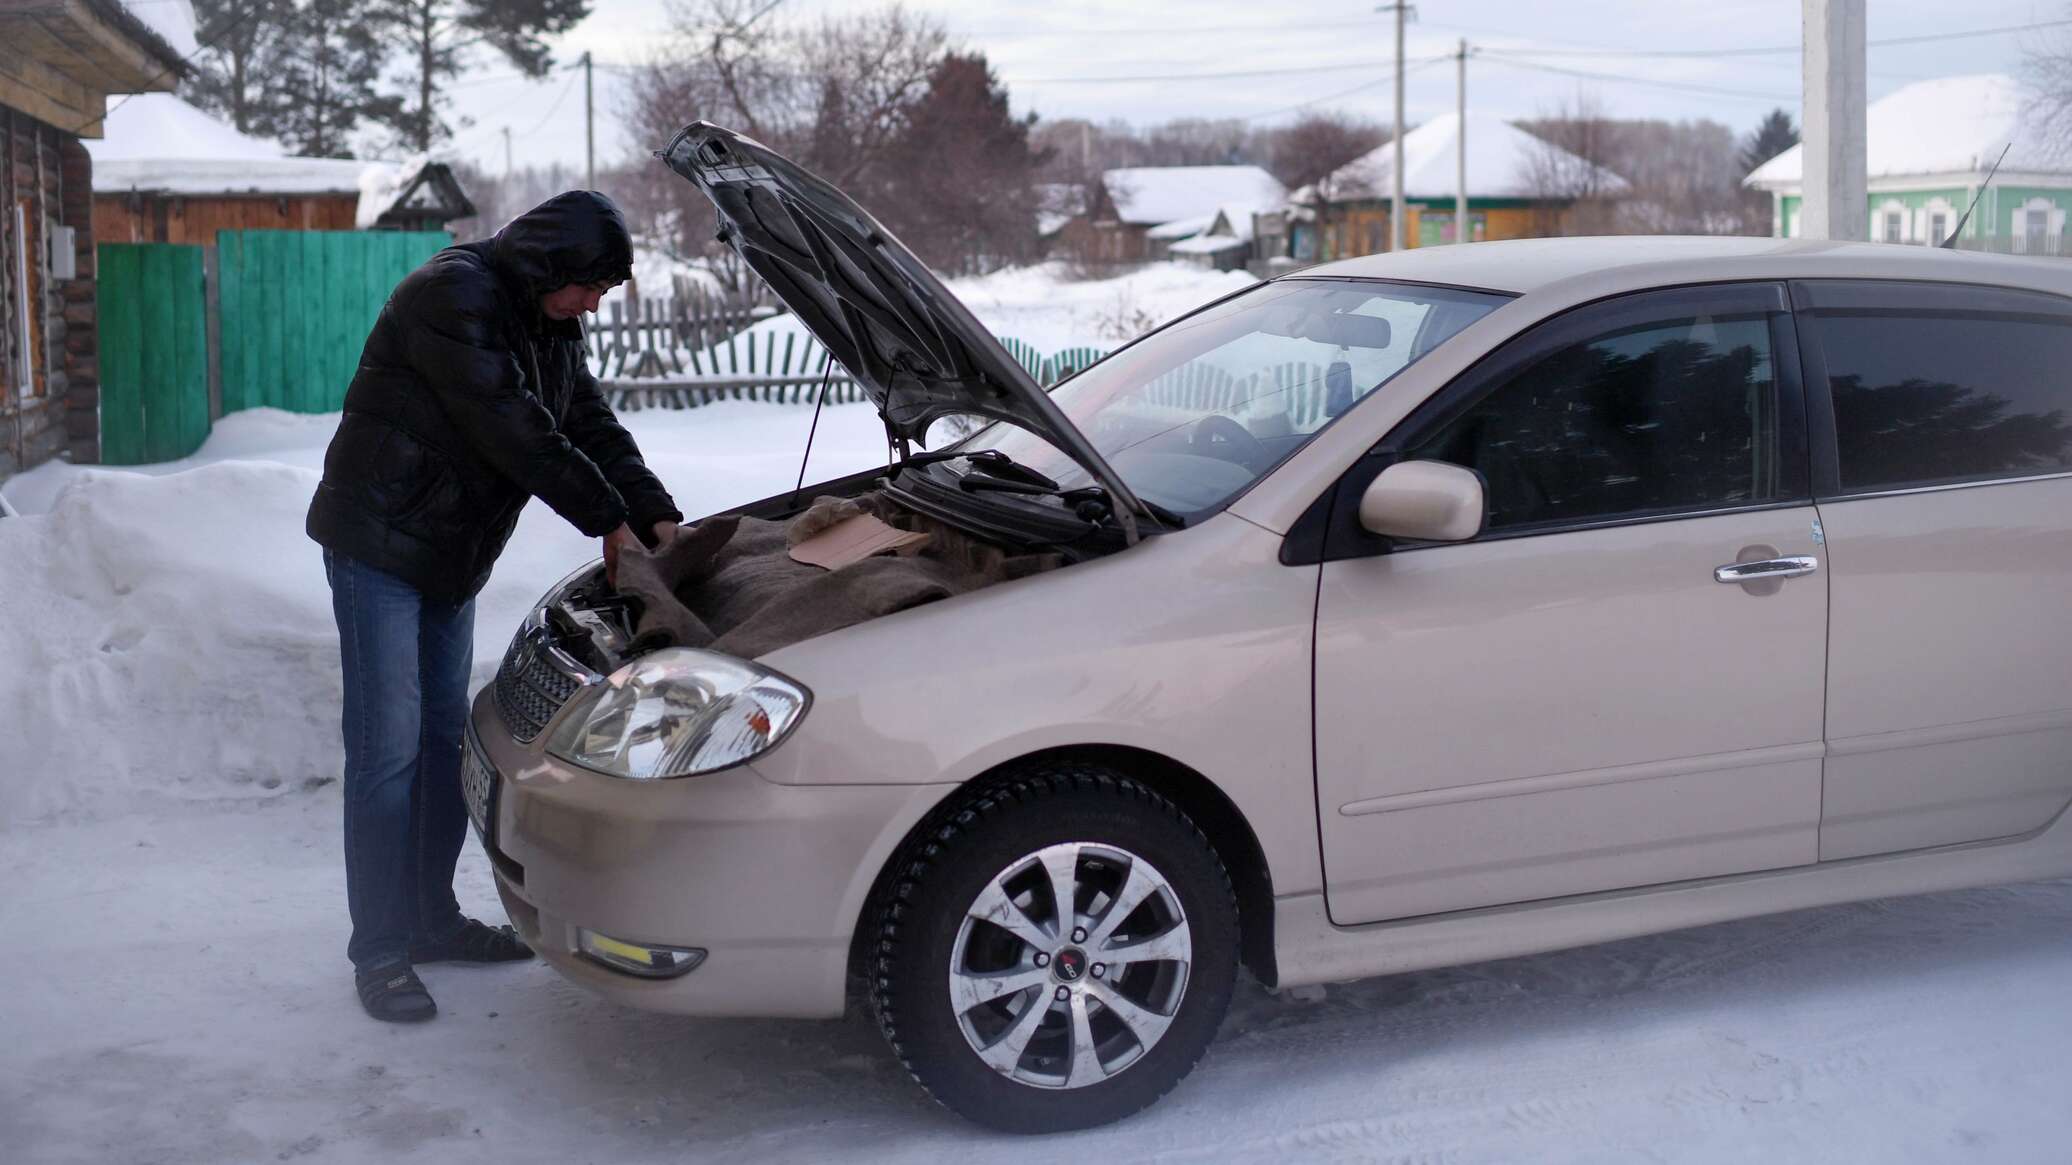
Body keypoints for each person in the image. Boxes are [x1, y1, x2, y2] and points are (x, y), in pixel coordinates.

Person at [307, 191, 681, 1022]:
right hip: (378, 544)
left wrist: (655, 512)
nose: (593, 305)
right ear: (551, 264)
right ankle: (378, 949)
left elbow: (585, 420)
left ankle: (432, 921)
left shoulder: (547, 321)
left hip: (449, 554)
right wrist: (606, 520)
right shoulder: (453, 295)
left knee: (445, 741)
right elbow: (515, 427)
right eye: (590, 287)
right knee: (386, 748)